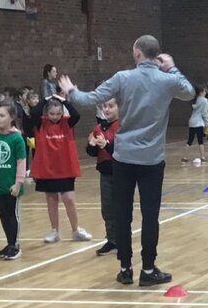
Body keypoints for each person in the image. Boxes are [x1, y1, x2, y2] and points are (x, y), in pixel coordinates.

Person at [62, 35, 195, 287]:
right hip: (152, 160)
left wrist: (71, 91)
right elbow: (189, 93)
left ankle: (125, 268)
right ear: (157, 56)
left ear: (136, 53)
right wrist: (172, 67)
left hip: (123, 158)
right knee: (150, 215)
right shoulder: (168, 81)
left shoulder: (123, 78)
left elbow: (90, 99)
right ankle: (148, 269)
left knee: (122, 214)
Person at [29, 95, 91, 243]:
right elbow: (34, 113)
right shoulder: (40, 123)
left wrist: (63, 101)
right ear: (46, 113)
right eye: (52, 114)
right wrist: (45, 99)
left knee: (69, 199)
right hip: (47, 169)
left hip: (65, 168)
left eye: (58, 113)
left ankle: (76, 230)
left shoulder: (67, 122)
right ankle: (54, 231)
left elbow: (76, 114)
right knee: (51, 200)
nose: (55, 117)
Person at [0, 101, 28, 260]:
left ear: (11, 117)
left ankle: (15, 244)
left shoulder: (17, 138)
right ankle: (9, 242)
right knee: (3, 215)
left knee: (12, 215)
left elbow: (21, 162)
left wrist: (18, 183)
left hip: (12, 186)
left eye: (2, 115)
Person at [86, 98, 120, 256]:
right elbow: (93, 153)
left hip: (120, 173)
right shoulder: (98, 128)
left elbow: (121, 151)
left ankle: (121, 239)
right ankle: (112, 240)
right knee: (106, 208)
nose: (107, 109)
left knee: (120, 207)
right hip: (105, 173)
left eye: (111, 106)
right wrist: (92, 145)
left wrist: (106, 145)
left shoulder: (121, 127)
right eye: (105, 106)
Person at [185, 86, 208, 163]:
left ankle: (184, 157)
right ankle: (202, 157)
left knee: (190, 140)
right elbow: (204, 113)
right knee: (200, 140)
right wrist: (207, 124)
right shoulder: (205, 101)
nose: (205, 93)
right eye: (204, 91)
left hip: (191, 121)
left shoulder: (195, 100)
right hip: (198, 122)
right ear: (201, 92)